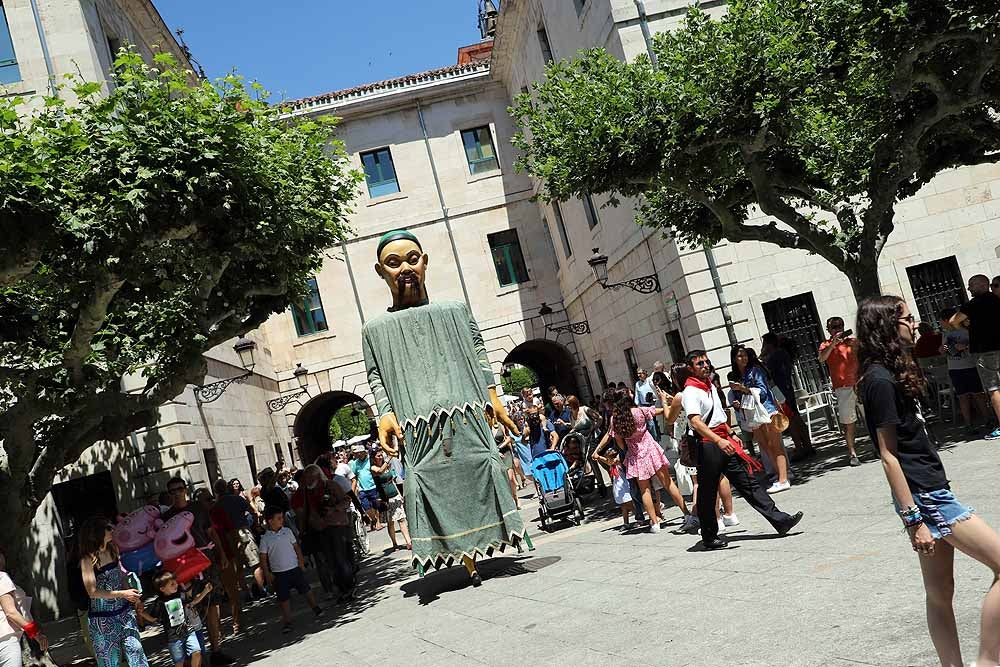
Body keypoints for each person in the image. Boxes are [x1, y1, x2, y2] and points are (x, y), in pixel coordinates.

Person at [362, 230, 531, 585]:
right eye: (394, 263)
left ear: (424, 262)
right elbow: (376, 375)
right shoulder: (374, 330)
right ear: (381, 272)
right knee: (425, 482)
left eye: (412, 259)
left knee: (483, 470)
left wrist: (494, 398)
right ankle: (459, 556)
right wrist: (385, 414)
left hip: (468, 419)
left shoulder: (455, 310)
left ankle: (486, 543)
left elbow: (479, 352)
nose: (405, 268)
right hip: (417, 431)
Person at [857, 295, 1000, 667]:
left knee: (939, 592)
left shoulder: (891, 370)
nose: (915, 322)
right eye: (907, 318)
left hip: (929, 489)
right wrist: (913, 519)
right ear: (888, 326)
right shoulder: (879, 380)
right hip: (926, 497)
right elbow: (887, 455)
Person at [682, 350, 803, 549]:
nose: (705, 366)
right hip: (709, 445)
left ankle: (780, 520)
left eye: (706, 362)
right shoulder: (691, 391)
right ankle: (709, 536)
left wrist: (730, 433)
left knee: (748, 483)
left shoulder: (709, 385)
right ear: (690, 369)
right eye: (699, 364)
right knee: (707, 492)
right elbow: (695, 422)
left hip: (724, 441)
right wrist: (719, 441)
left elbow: (718, 414)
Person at [162, 478, 233, 665]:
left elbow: (211, 532)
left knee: (212, 605)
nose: (176, 493)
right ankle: (196, 655)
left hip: (204, 560)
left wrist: (222, 554)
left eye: (179, 489)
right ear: (169, 494)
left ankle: (216, 650)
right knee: (187, 610)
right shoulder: (166, 517)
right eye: (172, 491)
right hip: (182, 567)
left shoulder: (199, 509)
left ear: (185, 489)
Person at [607, 386, 696, 534]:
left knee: (645, 490)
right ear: (627, 397)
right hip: (651, 449)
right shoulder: (639, 411)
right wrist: (664, 402)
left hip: (635, 454)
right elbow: (658, 411)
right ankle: (686, 514)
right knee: (668, 483)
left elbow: (619, 441)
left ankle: (654, 523)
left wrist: (626, 450)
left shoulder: (614, 419)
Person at [666, 363, 736, 533]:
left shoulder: (680, 396)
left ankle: (714, 519)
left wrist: (664, 401)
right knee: (720, 476)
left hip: (694, 440)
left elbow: (669, 419)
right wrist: (730, 433)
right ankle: (729, 514)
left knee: (701, 482)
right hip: (715, 433)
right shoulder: (702, 389)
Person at [78, 515, 149, 667]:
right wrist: (123, 594)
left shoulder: (113, 549)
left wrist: (133, 597)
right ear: (97, 532)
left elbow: (120, 577)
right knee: (110, 662)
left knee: (136, 651)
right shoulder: (87, 560)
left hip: (124, 613)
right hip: (102, 619)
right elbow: (92, 592)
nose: (113, 530)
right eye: (108, 528)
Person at [290, 464, 358, 602]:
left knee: (340, 558)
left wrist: (334, 509)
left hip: (337, 526)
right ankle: (341, 589)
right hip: (320, 529)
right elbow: (304, 512)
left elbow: (346, 500)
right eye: (306, 477)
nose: (307, 480)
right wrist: (303, 530)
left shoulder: (331, 485)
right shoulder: (306, 492)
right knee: (330, 562)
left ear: (317, 476)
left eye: (310, 477)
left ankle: (349, 587)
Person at [730, 345, 791, 492]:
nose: (743, 358)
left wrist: (743, 389)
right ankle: (778, 476)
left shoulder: (755, 371)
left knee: (775, 445)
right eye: (739, 356)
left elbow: (763, 393)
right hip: (754, 415)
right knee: (765, 446)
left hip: (766, 411)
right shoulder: (741, 375)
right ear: (734, 359)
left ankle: (784, 478)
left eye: (744, 355)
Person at [950, 274, 1000, 440]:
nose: (969, 288)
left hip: (985, 351)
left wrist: (969, 328)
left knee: (994, 389)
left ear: (981, 285)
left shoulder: (972, 305)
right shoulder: (997, 299)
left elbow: (953, 321)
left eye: (971, 285)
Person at [258, 507, 323, 634]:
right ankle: (288, 621)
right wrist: (267, 573)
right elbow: (263, 557)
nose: (282, 520)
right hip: (279, 573)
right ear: (270, 521)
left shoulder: (287, 532)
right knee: (284, 598)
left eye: (282, 518)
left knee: (306, 589)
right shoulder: (265, 538)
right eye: (279, 518)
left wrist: (301, 562)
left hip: (294, 568)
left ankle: (315, 607)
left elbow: (296, 548)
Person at [138, 572, 211, 667]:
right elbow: (153, 619)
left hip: (188, 631)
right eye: (172, 584)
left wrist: (205, 591)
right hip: (173, 638)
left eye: (175, 582)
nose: (176, 584)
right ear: (162, 589)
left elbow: (192, 602)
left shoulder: (180, 595)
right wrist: (142, 613)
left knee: (197, 652)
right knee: (179, 663)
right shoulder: (160, 602)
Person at [761, 332, 814, 459]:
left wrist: (763, 355)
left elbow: (766, 370)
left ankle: (800, 448)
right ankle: (807, 445)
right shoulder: (782, 353)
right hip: (786, 388)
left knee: (790, 420)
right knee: (796, 417)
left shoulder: (774, 356)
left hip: (780, 391)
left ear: (768, 344)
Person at [940, 307, 991, 437]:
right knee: (962, 397)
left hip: (970, 366)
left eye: (941, 321)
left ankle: (988, 420)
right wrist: (943, 349)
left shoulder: (966, 331)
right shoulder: (945, 334)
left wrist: (965, 347)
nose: (940, 323)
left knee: (978, 395)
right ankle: (968, 424)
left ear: (947, 320)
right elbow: (944, 352)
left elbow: (977, 345)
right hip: (955, 369)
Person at [818, 316, 861, 465]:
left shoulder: (853, 342)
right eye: (834, 327)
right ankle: (852, 453)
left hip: (859, 384)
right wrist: (832, 345)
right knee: (848, 422)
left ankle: (879, 447)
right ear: (829, 330)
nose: (838, 329)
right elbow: (821, 359)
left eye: (840, 326)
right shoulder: (825, 345)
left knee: (871, 416)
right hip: (843, 388)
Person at [0, 547, 48, 667]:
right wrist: (36, 634)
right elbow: (11, 612)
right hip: (6, 641)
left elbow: (22, 611)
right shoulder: (2, 578)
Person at [370, 449, 412, 549]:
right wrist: (389, 458)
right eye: (378, 456)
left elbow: (392, 481)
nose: (381, 457)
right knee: (391, 522)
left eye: (381, 455)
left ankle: (408, 541)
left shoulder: (387, 465)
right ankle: (394, 543)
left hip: (394, 495)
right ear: (373, 458)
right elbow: (380, 472)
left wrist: (399, 494)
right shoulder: (373, 468)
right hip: (385, 499)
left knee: (401, 519)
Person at [485, 404, 520, 509]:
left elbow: (508, 438)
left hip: (506, 453)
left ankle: (516, 498)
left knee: (509, 477)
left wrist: (501, 447)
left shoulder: (499, 425)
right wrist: (495, 451)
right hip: (496, 455)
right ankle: (510, 500)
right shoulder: (486, 429)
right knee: (504, 479)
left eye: (488, 414)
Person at [591, 446, 634, 528]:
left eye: (610, 458)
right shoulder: (612, 464)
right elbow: (607, 461)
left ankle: (639, 517)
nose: (608, 460)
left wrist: (603, 457)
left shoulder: (618, 463)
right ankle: (626, 522)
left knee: (629, 504)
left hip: (623, 486)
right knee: (623, 506)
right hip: (618, 488)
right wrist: (599, 457)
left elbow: (612, 461)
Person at [349, 445, 382, 530]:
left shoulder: (369, 460)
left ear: (364, 452)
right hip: (362, 489)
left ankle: (377, 522)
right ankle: (373, 519)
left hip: (372, 486)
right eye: (357, 453)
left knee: (375, 506)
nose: (358, 454)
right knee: (366, 506)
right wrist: (354, 490)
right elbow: (354, 477)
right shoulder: (355, 463)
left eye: (360, 453)